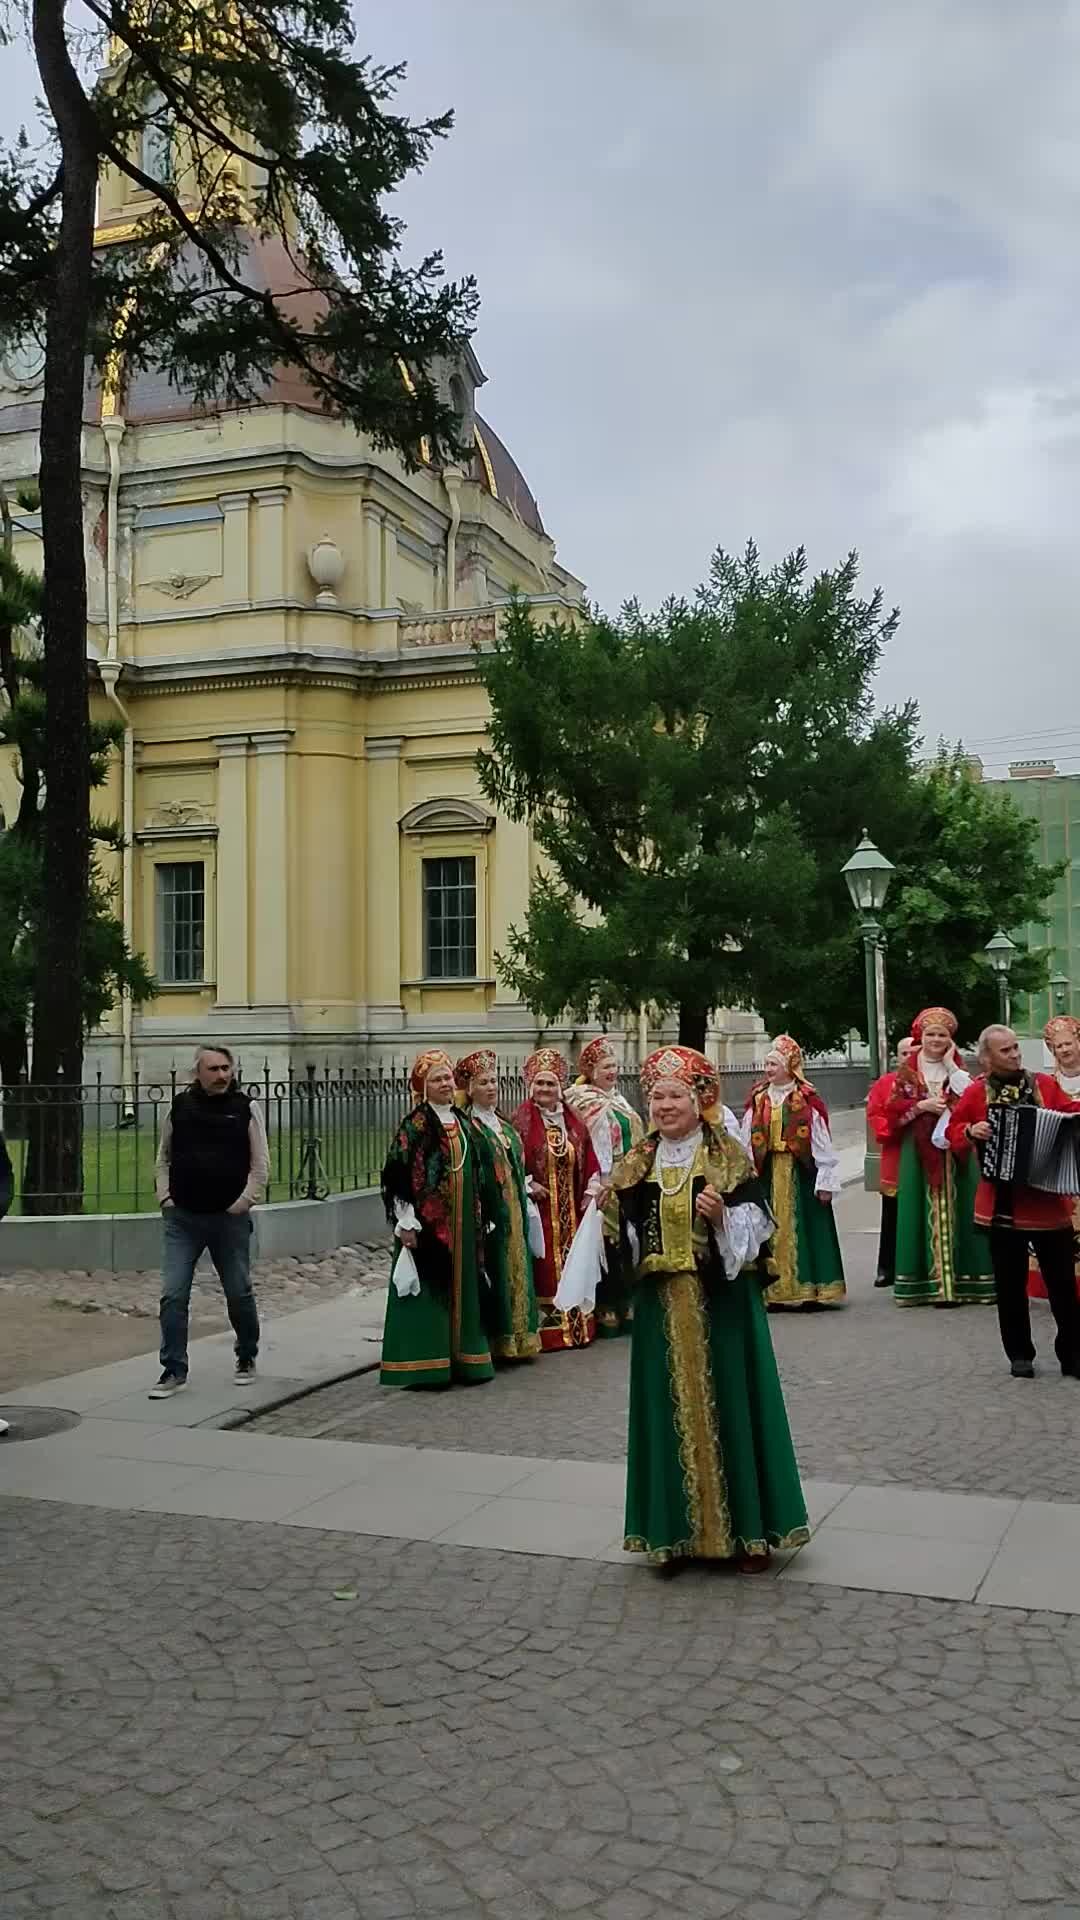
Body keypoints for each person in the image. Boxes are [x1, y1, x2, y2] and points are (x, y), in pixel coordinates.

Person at [603, 1045, 808, 1574]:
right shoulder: (638, 1162)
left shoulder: (726, 1156)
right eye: (656, 1096)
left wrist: (720, 1219)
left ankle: (748, 1537)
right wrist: (608, 1217)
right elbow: (621, 1236)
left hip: (722, 1307)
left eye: (674, 1095)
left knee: (735, 1408)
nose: (664, 1105)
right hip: (660, 1310)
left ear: (699, 1100)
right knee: (663, 1412)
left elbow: (761, 1228)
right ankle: (671, 1534)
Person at [947, 1024, 1080, 1379]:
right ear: (987, 1059)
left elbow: (1070, 1116)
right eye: (1005, 1050)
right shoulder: (976, 1095)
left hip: (1049, 1204)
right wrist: (969, 1131)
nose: (1015, 1054)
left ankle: (1073, 1353)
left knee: (1064, 1286)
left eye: (1016, 1047)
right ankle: (1020, 1353)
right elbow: (951, 1132)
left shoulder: (1045, 1085)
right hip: (1002, 1208)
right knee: (1010, 1286)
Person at [150, 1044, 266, 1397]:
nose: (221, 1076)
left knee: (239, 1291)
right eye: (213, 1069)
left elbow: (260, 1163)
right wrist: (165, 1197)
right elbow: (163, 1156)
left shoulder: (245, 1108)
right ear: (197, 1073)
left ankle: (246, 1354)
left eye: (225, 1068)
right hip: (183, 1217)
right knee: (173, 1294)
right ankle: (173, 1369)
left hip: (228, 1218)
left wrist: (244, 1201)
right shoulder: (180, 1107)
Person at [379, 1049, 496, 1389]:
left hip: (463, 1221)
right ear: (423, 1087)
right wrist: (406, 1220)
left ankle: (467, 1360)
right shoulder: (415, 1124)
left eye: (447, 1077)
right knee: (432, 1289)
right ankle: (427, 1365)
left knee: (465, 1287)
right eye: (437, 1079)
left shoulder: (460, 1120)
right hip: (430, 1226)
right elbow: (398, 1175)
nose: (446, 1083)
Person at [886, 1007, 995, 1309]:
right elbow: (892, 1112)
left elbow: (975, 1098)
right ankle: (928, 1283)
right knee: (918, 1210)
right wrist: (921, 1107)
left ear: (951, 1039)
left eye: (942, 1035)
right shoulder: (907, 1072)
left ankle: (963, 1282)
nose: (935, 1039)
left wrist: (949, 1066)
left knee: (963, 1208)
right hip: (918, 1154)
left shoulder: (957, 1069)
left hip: (956, 1149)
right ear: (921, 1036)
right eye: (931, 1034)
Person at [742, 1035, 845, 1308]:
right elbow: (746, 1135)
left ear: (789, 1066)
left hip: (801, 1171)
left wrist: (825, 1178)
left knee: (807, 1229)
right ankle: (773, 1291)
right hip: (767, 1172)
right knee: (766, 1227)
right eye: (766, 1064)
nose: (768, 1069)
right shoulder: (759, 1097)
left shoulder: (806, 1098)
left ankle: (810, 1289)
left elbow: (820, 1139)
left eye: (773, 1064)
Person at [454, 1048, 542, 1362]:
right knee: (496, 1270)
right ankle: (499, 1339)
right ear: (469, 1089)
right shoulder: (469, 1128)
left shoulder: (503, 1125)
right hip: (490, 1214)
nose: (491, 1087)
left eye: (494, 1081)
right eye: (483, 1082)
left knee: (520, 1268)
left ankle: (522, 1337)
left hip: (515, 1210)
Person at [512, 1047, 600, 1350]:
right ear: (530, 1086)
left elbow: (590, 1158)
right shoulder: (521, 1120)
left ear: (560, 1087)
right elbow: (511, 1162)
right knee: (546, 1269)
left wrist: (591, 1191)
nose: (545, 1089)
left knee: (576, 1262)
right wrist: (528, 1183)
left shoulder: (573, 1119)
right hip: (541, 1214)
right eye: (540, 1083)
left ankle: (578, 1328)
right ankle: (549, 1333)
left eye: (550, 1084)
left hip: (572, 1211)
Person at [564, 1036, 644, 1337]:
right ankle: (604, 1305)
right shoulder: (580, 1099)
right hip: (600, 1182)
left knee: (626, 1241)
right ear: (592, 1071)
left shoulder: (619, 1099)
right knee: (605, 1243)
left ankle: (627, 1302)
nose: (612, 1071)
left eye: (614, 1065)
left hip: (625, 1182)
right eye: (606, 1066)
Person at [1029, 1014, 1080, 1303]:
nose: (1064, 1050)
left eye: (1068, 1043)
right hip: (1061, 1162)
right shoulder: (1046, 1084)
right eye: (1057, 1046)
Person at [866, 1036, 915, 1287]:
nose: (908, 1057)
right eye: (903, 1053)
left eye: (912, 1052)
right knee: (891, 1215)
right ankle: (887, 1267)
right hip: (896, 1155)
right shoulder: (885, 1084)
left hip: (923, 1155)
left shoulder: (927, 1082)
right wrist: (892, 1128)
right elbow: (875, 1114)